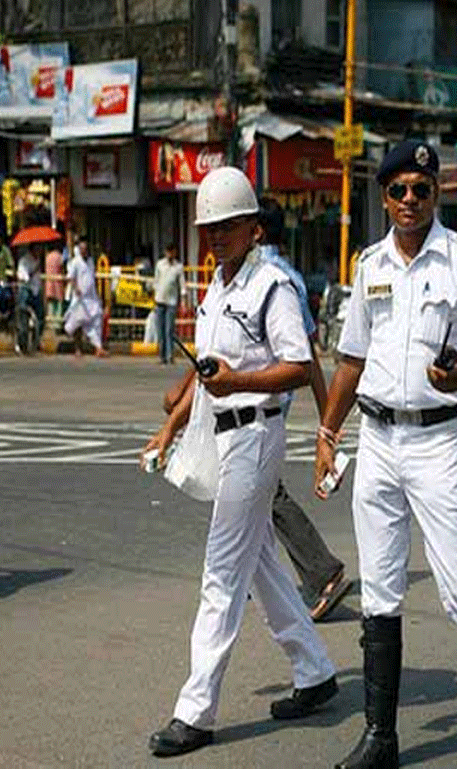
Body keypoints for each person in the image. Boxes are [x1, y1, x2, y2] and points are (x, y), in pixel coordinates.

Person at [314, 140, 457, 769]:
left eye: (421, 188)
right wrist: (327, 437)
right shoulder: (368, 266)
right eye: (398, 190)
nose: (409, 200)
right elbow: (351, 360)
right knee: (381, 591)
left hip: (438, 441)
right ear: (383, 197)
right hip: (378, 442)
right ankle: (379, 738)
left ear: (436, 193)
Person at [142, 167, 338, 758]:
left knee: (221, 572)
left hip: (256, 434)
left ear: (254, 227)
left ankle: (195, 711)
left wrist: (242, 385)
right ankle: (315, 670)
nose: (217, 237)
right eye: (209, 228)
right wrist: (172, 422)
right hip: (222, 431)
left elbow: (299, 365)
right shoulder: (219, 288)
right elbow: (208, 368)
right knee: (259, 565)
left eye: (228, 226)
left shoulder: (272, 285)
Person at [256, 197, 351, 621]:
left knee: (263, 494)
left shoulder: (268, 277)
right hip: (269, 402)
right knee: (250, 497)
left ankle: (323, 571)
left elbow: (304, 357)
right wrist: (324, 420)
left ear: (254, 230)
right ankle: (242, 579)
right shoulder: (289, 276)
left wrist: (327, 426)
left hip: (258, 403)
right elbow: (310, 355)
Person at [63, 238, 108, 357]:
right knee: (78, 323)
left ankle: (98, 347)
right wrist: (76, 288)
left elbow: (92, 278)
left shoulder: (91, 261)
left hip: (91, 297)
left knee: (96, 320)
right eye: (82, 249)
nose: (84, 251)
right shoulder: (75, 262)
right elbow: (71, 277)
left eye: (86, 249)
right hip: (80, 298)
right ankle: (78, 348)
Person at [152, 242, 183, 364]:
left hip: (171, 301)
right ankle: (162, 356)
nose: (170, 254)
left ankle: (170, 355)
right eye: (168, 251)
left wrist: (184, 300)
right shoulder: (160, 265)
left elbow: (182, 284)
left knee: (169, 330)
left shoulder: (178, 267)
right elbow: (156, 281)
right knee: (160, 330)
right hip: (160, 300)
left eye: (172, 251)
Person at [16, 244, 46, 352]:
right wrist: (33, 271)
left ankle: (36, 341)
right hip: (26, 290)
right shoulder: (24, 261)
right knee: (23, 319)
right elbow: (23, 276)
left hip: (36, 290)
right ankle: (22, 343)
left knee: (40, 317)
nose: (40, 251)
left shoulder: (39, 260)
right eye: (38, 249)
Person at [44, 244, 65, 323]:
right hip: (58, 282)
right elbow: (62, 267)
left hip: (49, 281)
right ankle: (58, 322)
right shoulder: (59, 256)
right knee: (59, 303)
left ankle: (51, 321)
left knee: (51, 303)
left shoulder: (47, 257)